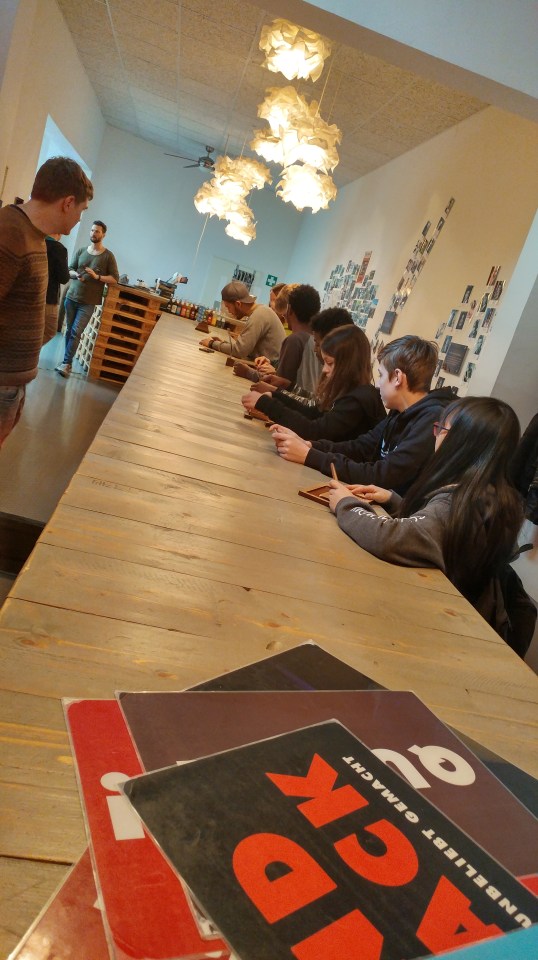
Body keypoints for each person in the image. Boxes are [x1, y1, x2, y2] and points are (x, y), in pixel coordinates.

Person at [327, 396, 533, 653]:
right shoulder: (492, 495)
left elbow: (389, 538)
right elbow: (438, 529)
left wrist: (345, 504)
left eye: (441, 429)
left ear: (460, 442)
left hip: (440, 630)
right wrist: (392, 499)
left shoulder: (457, 502)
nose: (435, 435)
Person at [272, 335, 454, 495]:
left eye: (381, 375)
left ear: (397, 378)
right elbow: (361, 447)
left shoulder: (431, 420)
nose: (378, 384)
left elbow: (381, 475)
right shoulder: (399, 412)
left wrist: (310, 456)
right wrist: (310, 445)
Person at [0, 156, 93, 447]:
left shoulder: (35, 235)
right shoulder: (10, 232)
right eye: (82, 209)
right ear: (68, 202)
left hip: (12, 383)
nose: (80, 218)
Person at [242, 323, 385, 443]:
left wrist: (267, 404)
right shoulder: (350, 391)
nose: (324, 369)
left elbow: (314, 431)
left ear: (348, 364)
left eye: (330, 363)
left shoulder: (356, 400)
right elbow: (315, 412)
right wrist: (275, 396)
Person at [56, 219, 119, 378]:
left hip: (88, 302)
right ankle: (66, 362)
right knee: (70, 331)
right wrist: (76, 275)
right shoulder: (81, 251)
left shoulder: (108, 256)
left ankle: (66, 363)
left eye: (97, 231)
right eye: (92, 230)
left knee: (76, 331)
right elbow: (69, 269)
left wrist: (97, 277)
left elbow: (114, 278)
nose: (93, 233)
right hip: (71, 297)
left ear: (103, 235)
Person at [236, 284, 320, 388]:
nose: (284, 318)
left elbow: (279, 386)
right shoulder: (316, 340)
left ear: (290, 310)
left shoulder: (295, 340)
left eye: (284, 315)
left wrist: (248, 372)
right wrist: (273, 364)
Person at [199, 280, 285, 361]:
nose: (229, 311)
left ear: (238, 304)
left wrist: (212, 343)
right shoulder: (260, 311)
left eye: (228, 307)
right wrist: (223, 344)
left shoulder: (259, 315)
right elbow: (244, 348)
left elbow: (239, 351)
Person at [45, 232, 70, 340]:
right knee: (50, 330)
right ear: (59, 233)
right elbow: (63, 278)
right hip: (48, 296)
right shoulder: (59, 249)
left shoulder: (36, 242)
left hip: (29, 293)